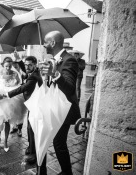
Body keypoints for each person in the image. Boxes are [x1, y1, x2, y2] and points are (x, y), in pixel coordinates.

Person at [40, 31, 81, 175]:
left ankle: (67, 172)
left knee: (59, 143)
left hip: (64, 109)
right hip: (53, 106)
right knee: (58, 142)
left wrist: (55, 75)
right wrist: (45, 76)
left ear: (52, 43)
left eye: (45, 41)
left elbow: (69, 88)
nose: (44, 44)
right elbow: (50, 85)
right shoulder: (51, 59)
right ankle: (64, 171)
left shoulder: (69, 60)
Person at [0, 56, 43, 166]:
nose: (27, 67)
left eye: (29, 65)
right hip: (32, 102)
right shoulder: (33, 72)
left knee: (32, 129)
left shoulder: (34, 76)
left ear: (35, 65)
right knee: (30, 128)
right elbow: (25, 70)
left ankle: (33, 154)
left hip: (35, 104)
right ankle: (31, 148)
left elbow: (22, 88)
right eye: (26, 64)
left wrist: (6, 94)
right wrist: (21, 62)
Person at [0, 57, 27, 152]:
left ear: (12, 65)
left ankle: (5, 141)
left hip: (10, 100)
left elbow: (18, 85)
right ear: (3, 65)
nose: (8, 68)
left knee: (7, 121)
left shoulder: (15, 74)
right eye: (6, 66)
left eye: (9, 66)